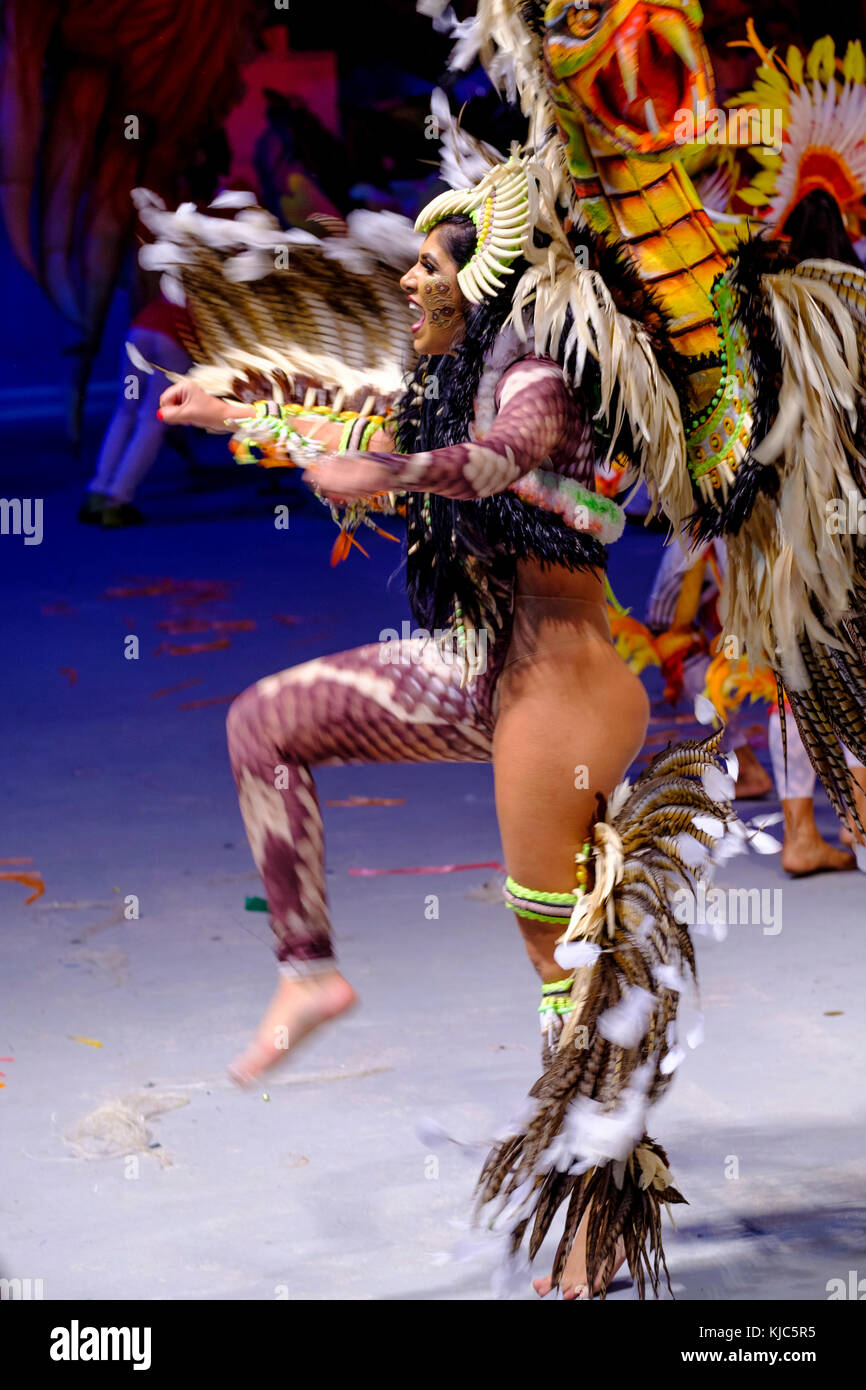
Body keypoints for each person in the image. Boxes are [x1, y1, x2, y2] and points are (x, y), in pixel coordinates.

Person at [157, 159, 717, 1298]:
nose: (409, 278)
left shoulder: (537, 377)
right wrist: (239, 411)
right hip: (476, 669)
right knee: (264, 721)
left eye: (430, 262)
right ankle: (307, 971)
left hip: (560, 691)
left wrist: (392, 469)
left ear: (488, 276)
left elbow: (492, 460)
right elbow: (360, 415)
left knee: (559, 960)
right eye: (413, 258)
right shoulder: (444, 370)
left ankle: (597, 1210)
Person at [79, 295, 192, 527]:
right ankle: (117, 502)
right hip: (176, 338)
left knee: (125, 412)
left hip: (140, 332)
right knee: (153, 420)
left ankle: (98, 492)